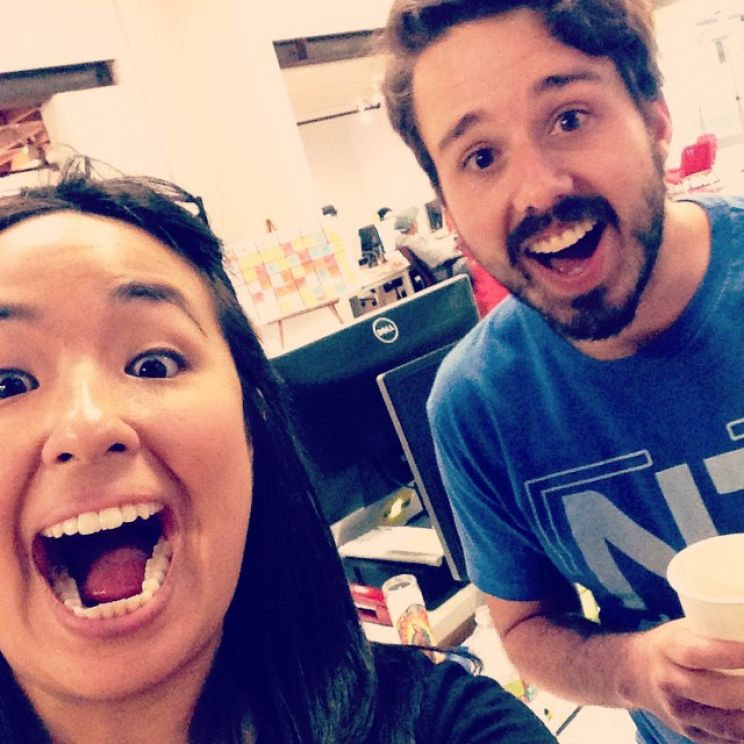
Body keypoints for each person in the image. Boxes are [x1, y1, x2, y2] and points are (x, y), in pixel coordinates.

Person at [0, 158, 557, 744]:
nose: (87, 425)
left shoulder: (451, 728)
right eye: (6, 384)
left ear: (252, 425)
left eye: (153, 364)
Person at [381, 1, 744, 742]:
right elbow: (526, 625)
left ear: (654, 117)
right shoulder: (477, 405)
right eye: (481, 157)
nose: (540, 191)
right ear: (448, 207)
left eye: (569, 118)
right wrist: (640, 671)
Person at [394, 206, 469, 281]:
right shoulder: (415, 242)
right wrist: (458, 250)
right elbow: (439, 257)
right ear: (413, 224)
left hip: (442, 270)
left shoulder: (410, 241)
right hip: (446, 271)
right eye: (416, 221)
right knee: (471, 263)